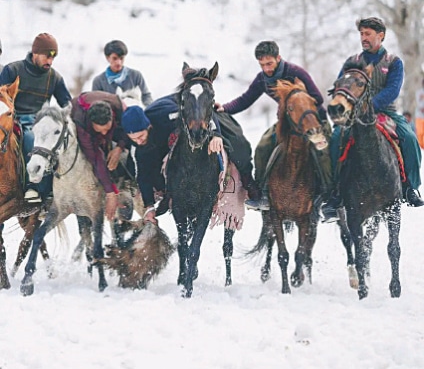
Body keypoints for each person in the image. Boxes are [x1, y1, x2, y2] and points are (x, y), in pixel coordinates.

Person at [215, 40, 334, 218]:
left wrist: (296, 100)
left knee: (323, 152)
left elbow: (317, 98)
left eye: (269, 63)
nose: (267, 68)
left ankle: (330, 197)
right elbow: (245, 99)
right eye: (262, 65)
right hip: (287, 124)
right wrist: (224, 107)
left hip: (313, 121)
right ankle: (263, 194)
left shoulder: (295, 73)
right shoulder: (262, 79)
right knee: (263, 146)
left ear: (278, 58)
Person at [326, 17, 424, 209]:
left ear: (381, 35)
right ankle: (333, 190)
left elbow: (393, 90)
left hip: (386, 112)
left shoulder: (394, 62)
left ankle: (410, 187)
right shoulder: (352, 62)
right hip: (353, 114)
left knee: (410, 138)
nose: (364, 37)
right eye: (362, 34)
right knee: (336, 137)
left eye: (368, 34)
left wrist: (369, 106)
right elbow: (339, 86)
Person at [120, 96, 224, 224]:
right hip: (161, 143)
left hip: (182, 105)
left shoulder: (168, 116)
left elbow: (199, 111)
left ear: (148, 126)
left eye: (141, 136)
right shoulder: (137, 147)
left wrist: (216, 134)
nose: (139, 141)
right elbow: (143, 175)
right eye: (134, 139)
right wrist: (149, 207)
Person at [0, 33, 72, 203]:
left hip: (39, 122)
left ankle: (41, 189)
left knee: (50, 141)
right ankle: (26, 184)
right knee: (30, 138)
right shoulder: (13, 70)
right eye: (47, 56)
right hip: (14, 118)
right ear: (35, 53)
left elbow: (67, 104)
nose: (50, 61)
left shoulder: (54, 77)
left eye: (53, 57)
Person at [70, 91, 129, 220]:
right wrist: (110, 192)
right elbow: (96, 158)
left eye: (106, 129)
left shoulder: (119, 107)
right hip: (83, 126)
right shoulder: (80, 121)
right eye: (99, 130)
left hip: (113, 113)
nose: (103, 132)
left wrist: (119, 147)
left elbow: (128, 129)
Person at [92, 40, 153, 107]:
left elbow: (146, 95)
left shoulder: (136, 75)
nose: (119, 62)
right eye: (114, 58)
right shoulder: (99, 81)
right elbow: (95, 105)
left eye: (121, 58)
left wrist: (147, 109)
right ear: (107, 58)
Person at [415, 78, 424, 149]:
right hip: (420, 116)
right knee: (420, 133)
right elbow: (418, 103)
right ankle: (421, 148)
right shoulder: (419, 92)